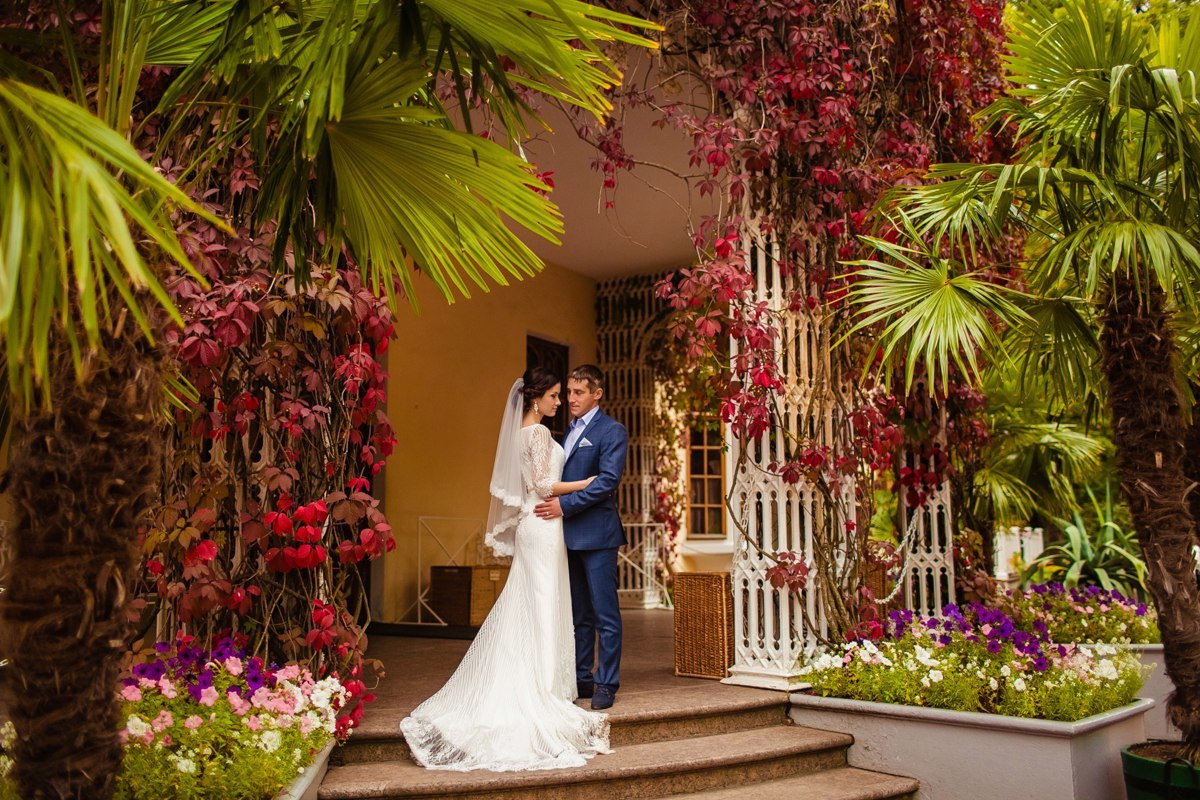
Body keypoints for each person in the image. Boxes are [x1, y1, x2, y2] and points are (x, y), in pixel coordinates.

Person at [399, 368, 611, 771]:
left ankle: (539, 679)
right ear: (535, 399)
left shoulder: (522, 432)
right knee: (542, 604)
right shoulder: (538, 433)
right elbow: (543, 486)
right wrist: (586, 483)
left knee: (531, 604)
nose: (559, 401)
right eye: (553, 395)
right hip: (544, 524)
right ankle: (543, 687)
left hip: (537, 525)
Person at [533, 365, 628, 711]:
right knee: (579, 615)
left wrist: (564, 506)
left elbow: (607, 482)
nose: (571, 399)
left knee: (605, 614)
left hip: (598, 535)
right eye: (569, 392)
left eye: (578, 392)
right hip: (566, 537)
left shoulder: (612, 431)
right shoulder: (567, 431)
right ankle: (581, 677)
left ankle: (607, 682)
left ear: (597, 394)